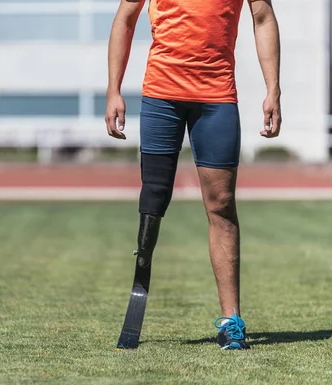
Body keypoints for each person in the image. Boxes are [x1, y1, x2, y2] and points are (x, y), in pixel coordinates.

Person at [105, 0, 281, 350]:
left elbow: (263, 18)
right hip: (161, 96)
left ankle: (232, 322)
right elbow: (125, 17)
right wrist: (114, 89)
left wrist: (272, 88)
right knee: (152, 200)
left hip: (216, 98)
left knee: (222, 203)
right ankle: (138, 296)